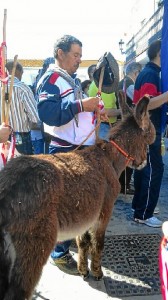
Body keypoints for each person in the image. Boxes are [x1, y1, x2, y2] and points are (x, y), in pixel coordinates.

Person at [37, 34, 102, 275]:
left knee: (76, 203)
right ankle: (58, 252)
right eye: (75, 55)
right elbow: (47, 112)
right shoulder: (53, 79)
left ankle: (68, 244)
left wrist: (92, 112)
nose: (79, 61)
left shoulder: (70, 81)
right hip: (64, 150)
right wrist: (81, 106)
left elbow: (74, 115)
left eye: (80, 56)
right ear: (60, 54)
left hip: (77, 149)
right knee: (64, 204)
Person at [132, 39, 168, 227]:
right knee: (154, 169)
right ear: (161, 53)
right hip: (148, 131)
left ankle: (139, 207)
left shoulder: (150, 73)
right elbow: (147, 104)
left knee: (144, 168)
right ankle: (143, 213)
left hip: (146, 130)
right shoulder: (151, 74)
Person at [5, 61, 39, 155]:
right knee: (23, 168)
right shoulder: (23, 88)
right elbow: (35, 118)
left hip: (3, 137)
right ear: (18, 71)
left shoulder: (1, 87)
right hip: (20, 137)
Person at [118, 62, 142, 194]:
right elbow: (137, 102)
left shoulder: (123, 82)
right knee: (128, 155)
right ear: (136, 72)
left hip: (122, 123)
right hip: (127, 124)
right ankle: (124, 186)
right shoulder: (129, 83)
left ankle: (124, 185)